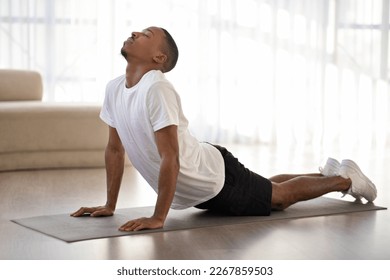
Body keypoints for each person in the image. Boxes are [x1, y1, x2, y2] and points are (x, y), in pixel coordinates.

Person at [71, 26, 377, 231]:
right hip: (207, 179)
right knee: (265, 186)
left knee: (279, 198)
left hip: (212, 178)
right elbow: (114, 149)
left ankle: (345, 179)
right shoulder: (114, 88)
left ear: (159, 58)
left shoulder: (156, 88)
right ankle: (328, 173)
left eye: (146, 34)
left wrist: (158, 217)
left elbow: (171, 158)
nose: (135, 32)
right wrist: (110, 205)